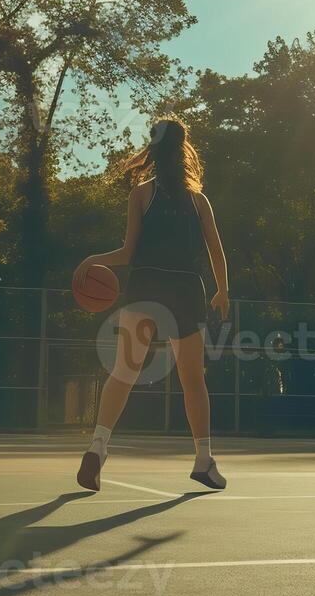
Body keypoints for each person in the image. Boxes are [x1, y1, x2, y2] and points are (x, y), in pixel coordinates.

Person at [73, 118, 231, 492]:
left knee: (124, 371)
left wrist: (91, 260)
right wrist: (223, 291)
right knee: (193, 380)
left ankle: (98, 446)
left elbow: (128, 253)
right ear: (184, 148)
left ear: (153, 149)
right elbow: (215, 249)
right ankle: (203, 460)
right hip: (185, 290)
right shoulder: (198, 200)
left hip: (145, 285)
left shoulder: (141, 194)